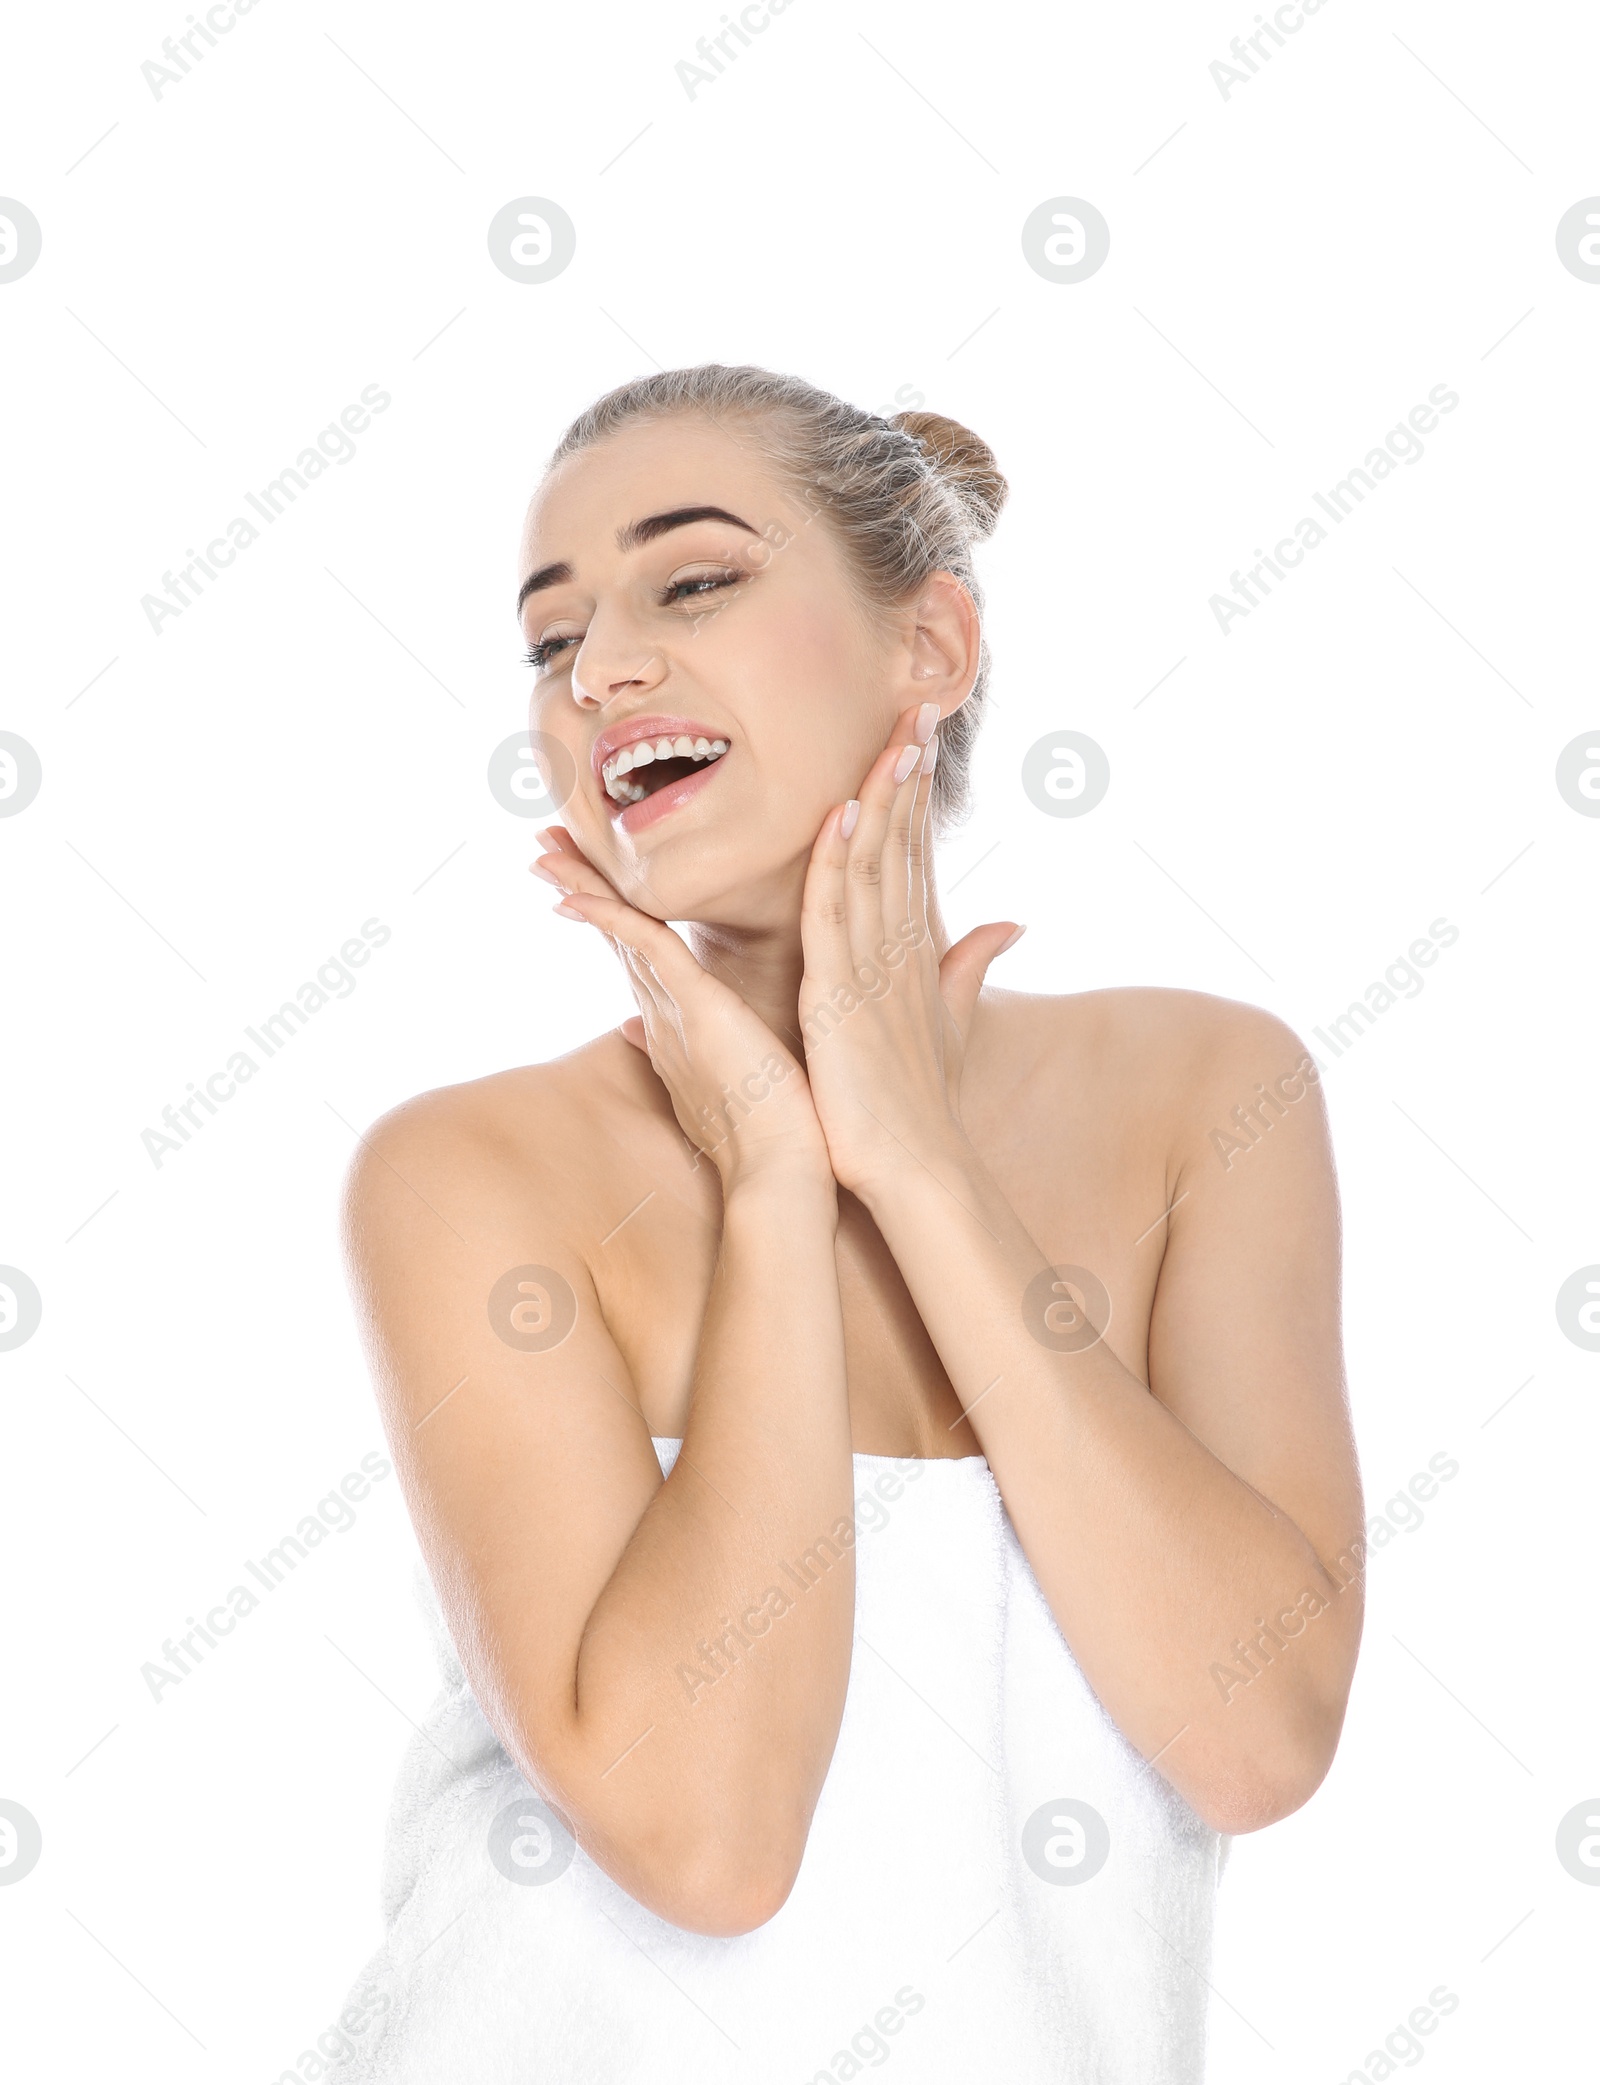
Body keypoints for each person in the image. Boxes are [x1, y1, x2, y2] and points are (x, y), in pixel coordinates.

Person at [332, 363, 1364, 2082]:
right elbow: (711, 1836)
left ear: (932, 649)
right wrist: (774, 1178)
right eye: (549, 638)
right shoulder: (468, 1173)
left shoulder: (1208, 1095)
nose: (600, 672)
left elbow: (1256, 1735)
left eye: (695, 579)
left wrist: (921, 1168)